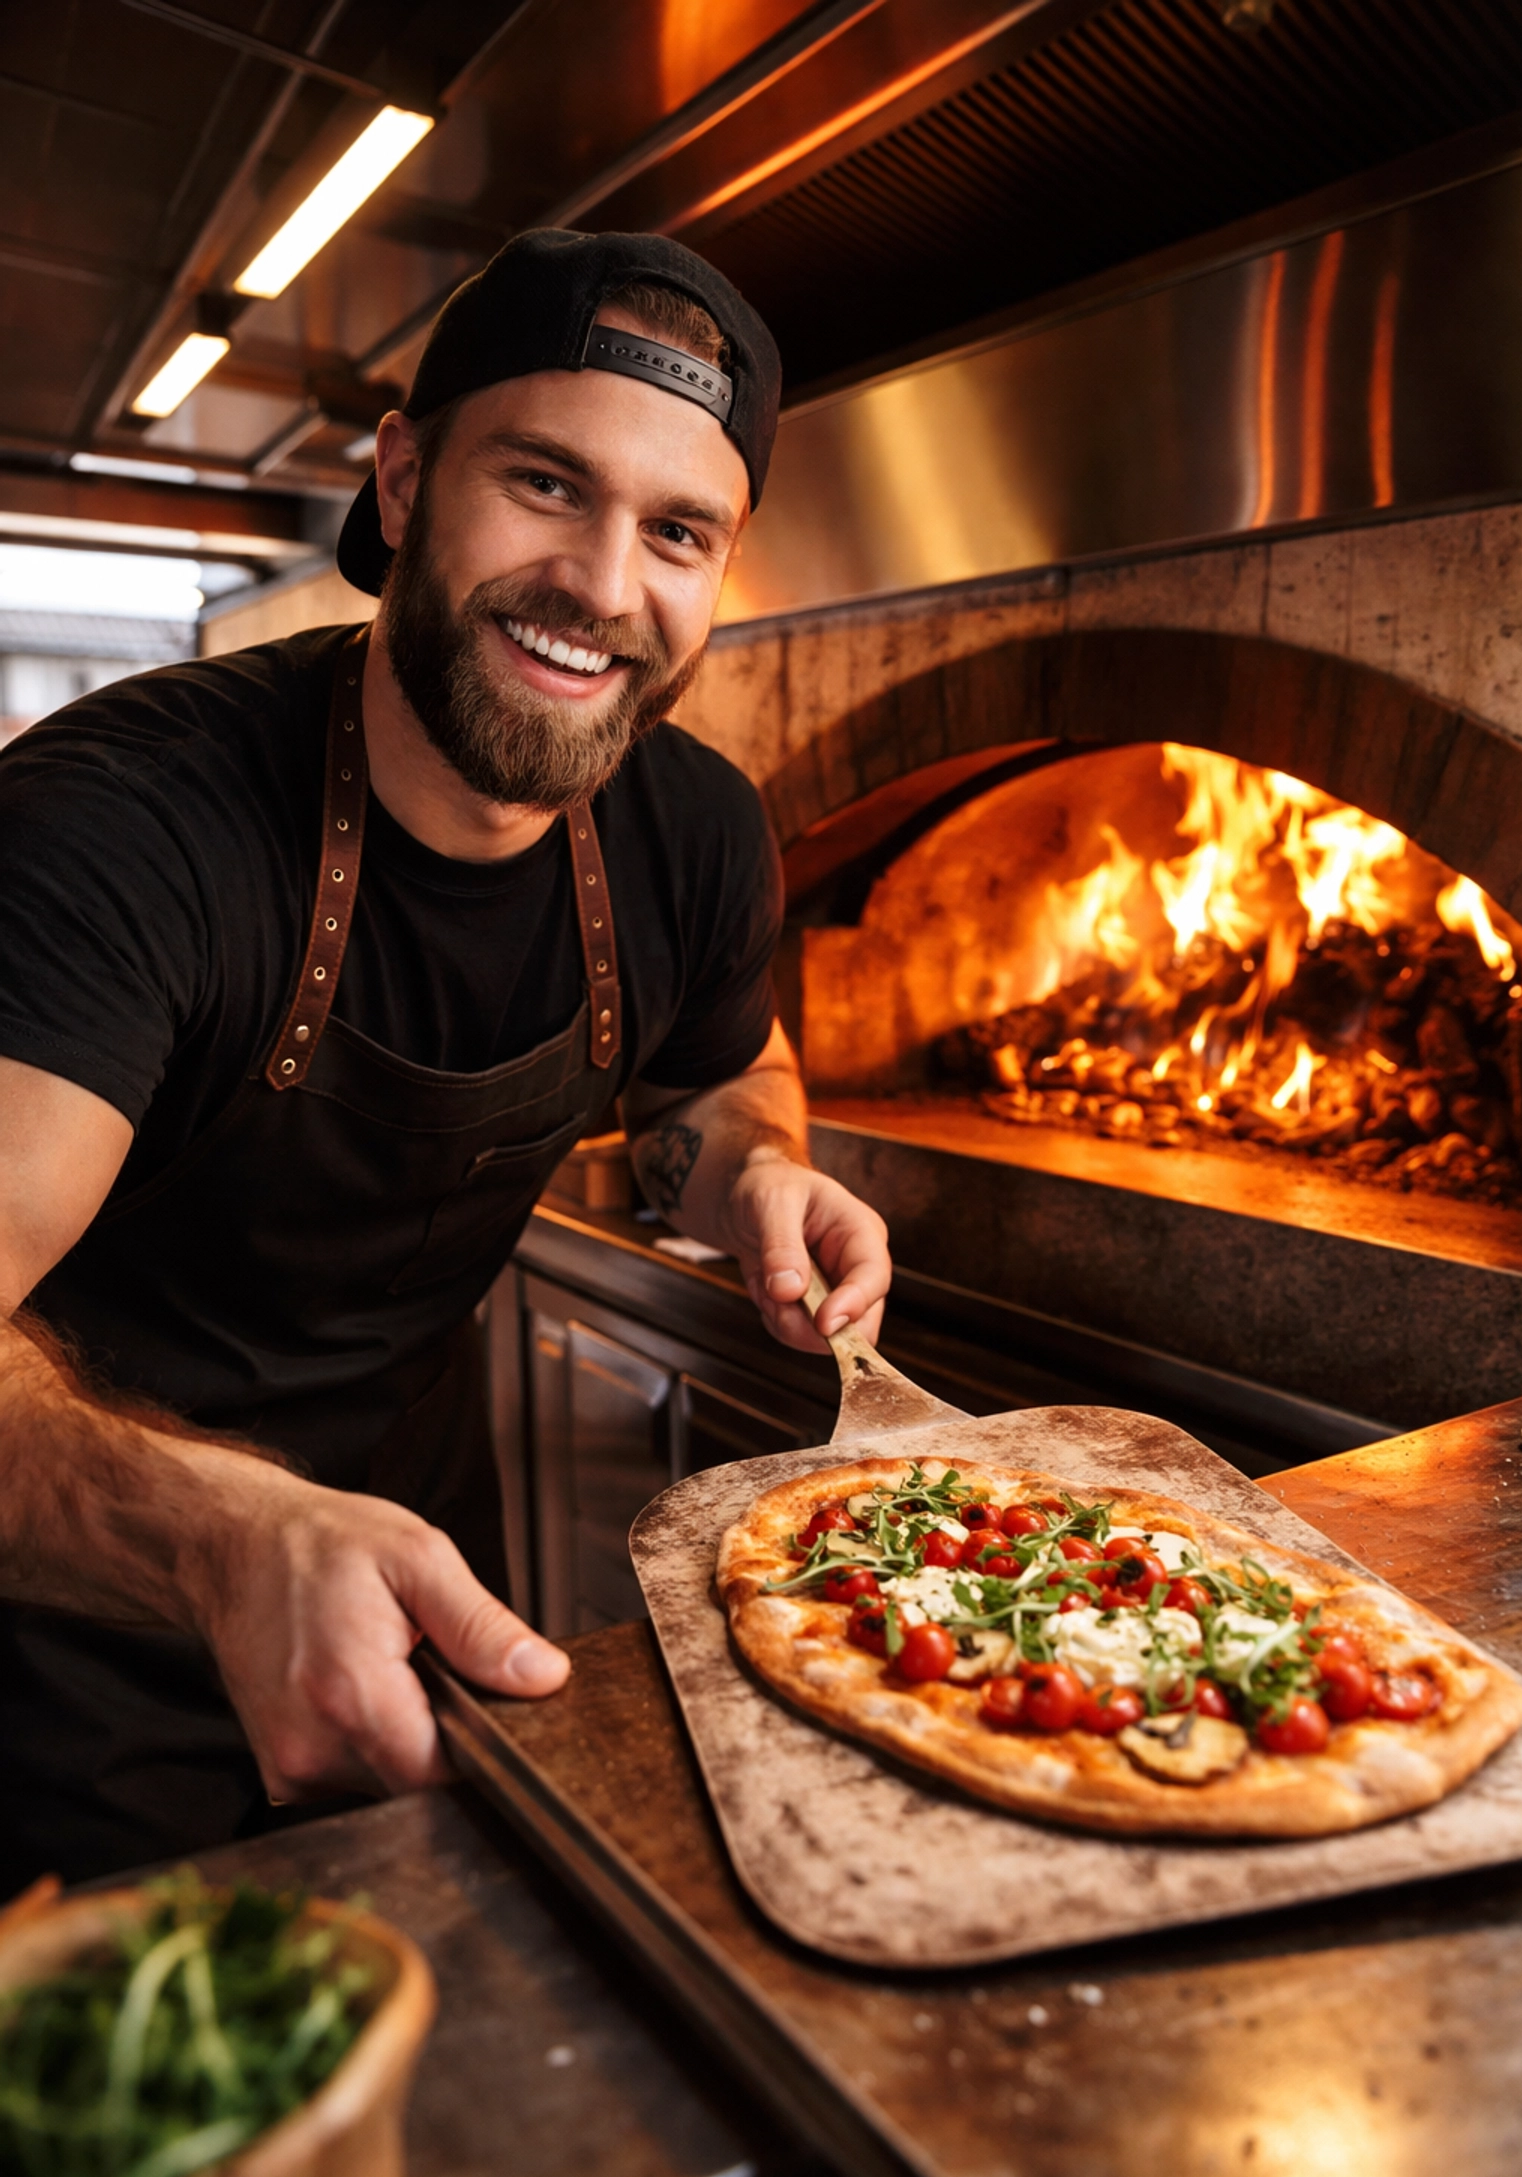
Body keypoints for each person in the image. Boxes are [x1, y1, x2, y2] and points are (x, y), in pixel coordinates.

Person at [0, 229, 891, 1895]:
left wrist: (761, 1173)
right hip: (59, 1667)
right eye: (547, 484)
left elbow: (717, 1082)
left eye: (677, 531)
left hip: (418, 1600)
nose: (605, 589)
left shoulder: (690, 831)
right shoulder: (125, 829)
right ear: (406, 481)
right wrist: (218, 1537)